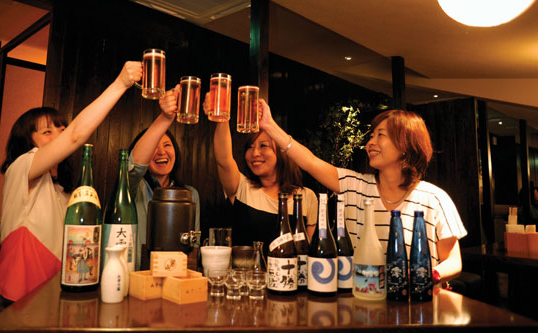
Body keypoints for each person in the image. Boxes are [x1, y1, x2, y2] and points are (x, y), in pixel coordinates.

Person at [0, 61, 142, 333]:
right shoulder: (20, 170)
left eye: (61, 128)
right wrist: (120, 83)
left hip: (50, 309)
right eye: (47, 131)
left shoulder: (66, 194)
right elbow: (75, 136)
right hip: (6, 310)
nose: (60, 135)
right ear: (28, 142)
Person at [258, 101, 467, 284]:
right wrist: (269, 125)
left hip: (417, 305)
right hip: (363, 301)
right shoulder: (355, 186)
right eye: (371, 136)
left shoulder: (433, 199)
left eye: (380, 135)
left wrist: (427, 276)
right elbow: (310, 162)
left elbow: (453, 262)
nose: (370, 143)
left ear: (405, 143)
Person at [203, 93, 318, 254]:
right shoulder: (242, 187)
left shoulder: (306, 197)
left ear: (281, 153)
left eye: (263, 146)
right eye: (250, 147)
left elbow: (308, 252)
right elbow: (223, 159)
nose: (255, 153)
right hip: (245, 270)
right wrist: (222, 118)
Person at [128, 85, 200, 269]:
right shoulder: (134, 187)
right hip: (138, 275)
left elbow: (194, 245)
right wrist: (165, 118)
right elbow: (134, 168)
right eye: (154, 147)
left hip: (178, 275)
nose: (161, 152)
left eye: (167, 145)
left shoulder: (190, 194)